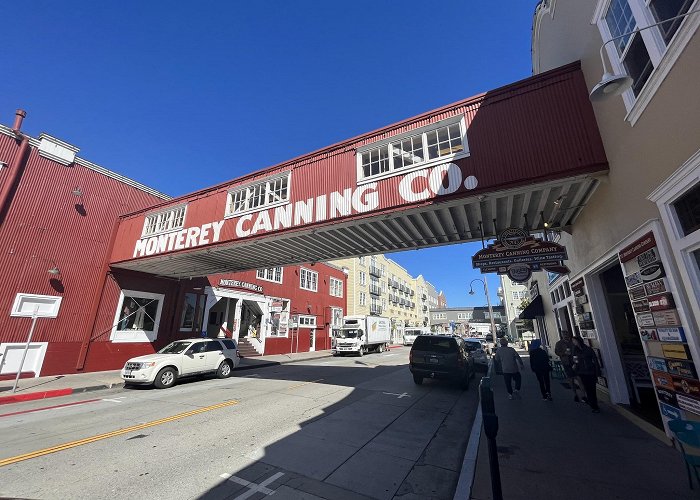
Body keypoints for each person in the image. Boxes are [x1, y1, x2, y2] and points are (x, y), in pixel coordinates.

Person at [571, 336, 601, 413]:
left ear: (578, 341)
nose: (573, 342)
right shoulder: (575, 350)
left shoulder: (588, 349)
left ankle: (594, 404)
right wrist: (575, 365)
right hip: (582, 372)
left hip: (591, 371)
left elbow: (595, 360)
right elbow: (575, 360)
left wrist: (597, 372)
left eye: (574, 341)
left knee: (592, 388)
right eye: (573, 341)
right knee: (588, 388)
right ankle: (593, 406)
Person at [554, 331, 580, 401]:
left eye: (566, 334)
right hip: (566, 363)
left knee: (579, 378)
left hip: (575, 362)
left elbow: (578, 350)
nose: (565, 335)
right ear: (562, 336)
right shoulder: (559, 343)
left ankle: (584, 395)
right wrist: (563, 353)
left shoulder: (572, 342)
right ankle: (575, 394)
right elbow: (557, 352)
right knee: (570, 379)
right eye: (564, 334)